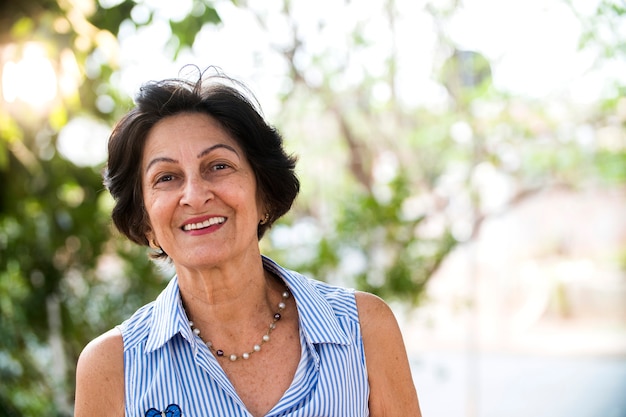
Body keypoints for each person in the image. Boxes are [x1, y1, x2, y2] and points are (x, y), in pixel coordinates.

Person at [74, 69, 422, 417]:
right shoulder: (111, 367)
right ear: (145, 220)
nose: (194, 196)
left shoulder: (363, 329)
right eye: (166, 177)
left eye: (218, 166)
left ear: (264, 195)